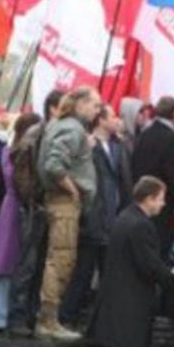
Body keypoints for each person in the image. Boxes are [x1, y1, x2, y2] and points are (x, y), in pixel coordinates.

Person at [92, 176, 174, 347]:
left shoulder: (124, 218)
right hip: (130, 306)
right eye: (160, 199)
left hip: (117, 301)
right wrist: (172, 278)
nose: (162, 205)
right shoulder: (141, 226)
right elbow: (149, 264)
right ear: (149, 198)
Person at [35, 86, 102, 340]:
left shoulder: (60, 125)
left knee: (59, 258)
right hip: (63, 203)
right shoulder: (72, 128)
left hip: (60, 201)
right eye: (95, 106)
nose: (98, 111)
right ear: (81, 104)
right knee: (61, 259)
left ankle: (48, 317)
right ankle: (48, 320)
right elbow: (54, 164)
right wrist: (73, 190)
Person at [61, 104, 133, 329]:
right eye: (113, 117)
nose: (118, 120)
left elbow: (125, 182)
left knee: (109, 272)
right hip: (93, 216)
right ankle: (68, 315)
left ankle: (102, 321)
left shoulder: (119, 147)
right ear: (101, 120)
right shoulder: (89, 146)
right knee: (83, 270)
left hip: (114, 216)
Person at [6, 89, 62, 336]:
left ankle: (30, 313)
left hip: (47, 206)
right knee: (27, 264)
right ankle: (17, 315)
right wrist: (33, 199)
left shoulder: (55, 134)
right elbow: (22, 170)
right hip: (35, 207)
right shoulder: (37, 134)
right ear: (53, 108)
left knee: (41, 265)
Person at [0, 112, 41, 336]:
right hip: (19, 209)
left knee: (3, 265)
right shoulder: (26, 155)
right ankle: (5, 314)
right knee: (15, 264)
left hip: (6, 210)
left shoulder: (5, 153)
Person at [132, 96, 174, 260]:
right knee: (162, 243)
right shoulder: (173, 138)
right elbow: (173, 172)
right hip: (164, 200)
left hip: (142, 195)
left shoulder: (144, 134)